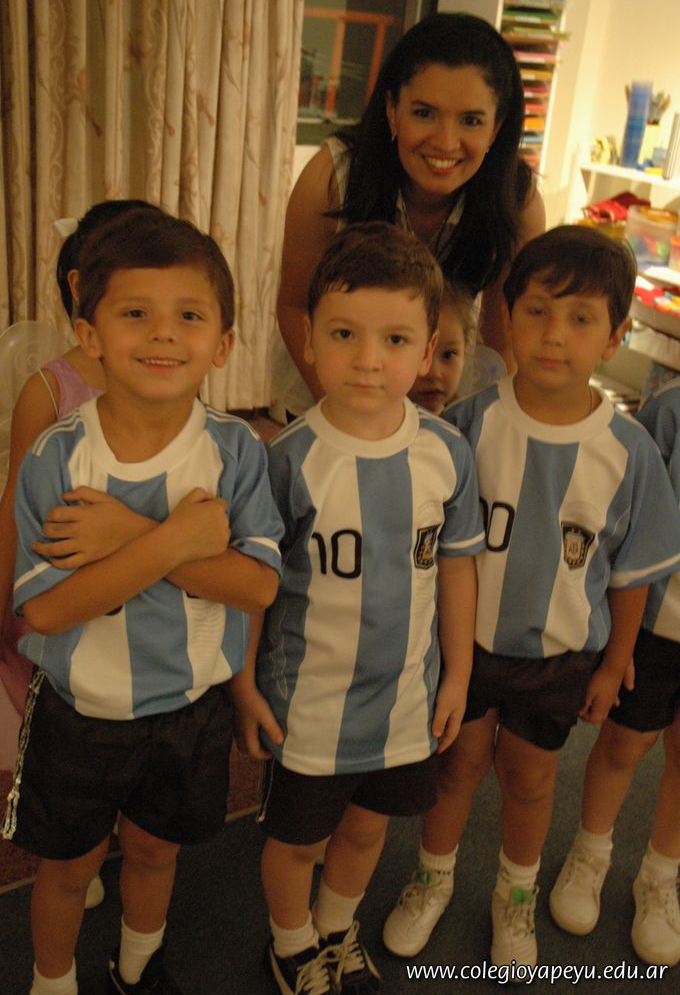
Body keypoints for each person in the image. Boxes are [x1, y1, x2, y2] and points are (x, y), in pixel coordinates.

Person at [382, 225, 680, 971]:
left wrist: (614, 663)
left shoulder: (631, 452)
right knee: (456, 768)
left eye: (581, 318)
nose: (555, 335)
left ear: (615, 337)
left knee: (531, 777)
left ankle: (515, 895)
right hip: (466, 650)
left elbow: (633, 574)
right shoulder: (467, 426)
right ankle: (433, 878)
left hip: (560, 657)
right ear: (507, 317)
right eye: (539, 311)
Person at [2, 207, 283, 995]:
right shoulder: (58, 457)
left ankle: (138, 964)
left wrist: (126, 534)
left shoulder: (235, 450)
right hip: (80, 713)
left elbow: (258, 584)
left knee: (157, 852)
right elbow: (46, 611)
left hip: (189, 708)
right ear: (89, 335)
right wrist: (173, 542)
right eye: (135, 313)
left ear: (222, 343)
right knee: (68, 867)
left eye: (189, 315)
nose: (163, 333)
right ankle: (52, 980)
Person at [233, 221, 485, 995]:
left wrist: (457, 677)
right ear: (309, 338)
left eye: (395, 339)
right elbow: (255, 584)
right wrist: (243, 685)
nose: (369, 359)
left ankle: (335, 929)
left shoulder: (446, 453)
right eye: (345, 334)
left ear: (428, 347)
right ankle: (292, 943)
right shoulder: (287, 461)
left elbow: (457, 569)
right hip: (308, 705)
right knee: (297, 841)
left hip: (405, 701)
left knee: (369, 828)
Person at [271, 11, 545, 423]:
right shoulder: (331, 178)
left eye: (471, 121)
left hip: (442, 398)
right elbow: (295, 306)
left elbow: (501, 339)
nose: (446, 142)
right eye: (424, 113)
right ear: (392, 109)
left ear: (496, 127)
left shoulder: (517, 202)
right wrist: (350, 415)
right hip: (332, 388)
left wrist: (479, 425)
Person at [0, 199, 156, 772]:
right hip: (65, 598)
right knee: (68, 748)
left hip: (147, 596)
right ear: (79, 286)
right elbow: (13, 509)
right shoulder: (49, 391)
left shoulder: (168, 380)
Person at [549, 376, 680, 969]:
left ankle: (661, 875)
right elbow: (629, 523)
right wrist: (618, 643)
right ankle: (591, 853)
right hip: (660, 619)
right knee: (625, 743)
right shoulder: (669, 411)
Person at [407, 279, 474, 415]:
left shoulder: (471, 421)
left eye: (448, 355)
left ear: (465, 351)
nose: (434, 373)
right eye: (421, 356)